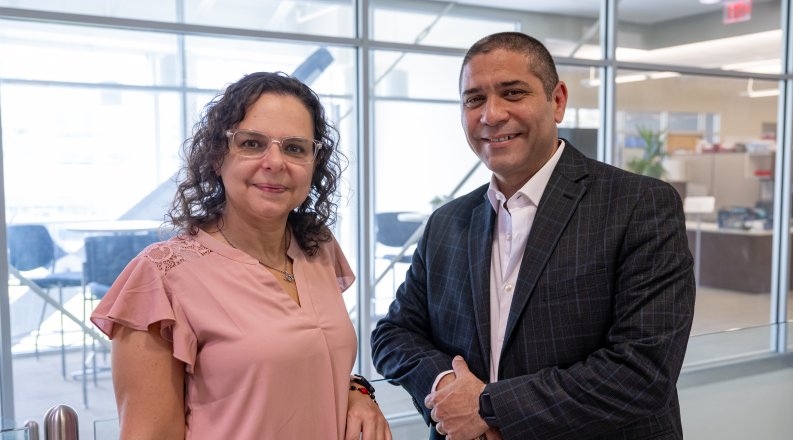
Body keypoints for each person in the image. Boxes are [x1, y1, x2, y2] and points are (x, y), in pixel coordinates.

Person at [370, 32, 695, 440]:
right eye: (474, 99)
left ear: (557, 100)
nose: (491, 114)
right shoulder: (447, 223)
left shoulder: (639, 205)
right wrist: (445, 388)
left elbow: (643, 369)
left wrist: (488, 407)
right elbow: (393, 334)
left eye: (513, 93)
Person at [91, 71, 392, 440]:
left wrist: (356, 391)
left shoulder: (319, 248)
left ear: (314, 165)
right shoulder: (161, 277)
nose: (275, 162)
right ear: (218, 156)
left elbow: (305, 364)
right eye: (252, 143)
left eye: (295, 148)